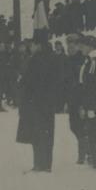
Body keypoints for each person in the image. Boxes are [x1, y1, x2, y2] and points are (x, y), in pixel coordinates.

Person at [18, 37, 58, 172]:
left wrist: (21, 81)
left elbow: (29, 81)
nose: (31, 47)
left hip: (35, 103)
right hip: (47, 103)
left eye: (33, 44)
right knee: (47, 134)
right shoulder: (51, 58)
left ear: (39, 45)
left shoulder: (35, 60)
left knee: (37, 134)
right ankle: (46, 164)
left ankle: (39, 164)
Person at [76, 35, 96, 170]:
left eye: (82, 46)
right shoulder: (91, 60)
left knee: (94, 131)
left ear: (89, 47)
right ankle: (95, 159)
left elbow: (92, 86)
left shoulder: (94, 61)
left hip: (94, 104)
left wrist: (89, 106)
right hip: (93, 103)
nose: (80, 48)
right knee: (92, 130)